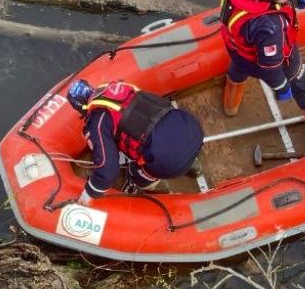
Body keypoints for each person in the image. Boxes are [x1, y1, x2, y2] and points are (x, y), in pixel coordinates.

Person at [218, 0, 305, 135]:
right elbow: (270, 67)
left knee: (238, 69)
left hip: (237, 52)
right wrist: (281, 87)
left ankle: (230, 105)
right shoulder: (270, 27)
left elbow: (270, 0)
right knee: (302, 82)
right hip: (268, 61)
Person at [67, 79, 204, 205]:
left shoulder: (96, 122)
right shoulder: (118, 87)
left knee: (135, 173)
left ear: (80, 107)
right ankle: (194, 165)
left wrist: (89, 193)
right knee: (171, 139)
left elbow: (108, 172)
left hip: (169, 161)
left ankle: (163, 193)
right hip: (189, 128)